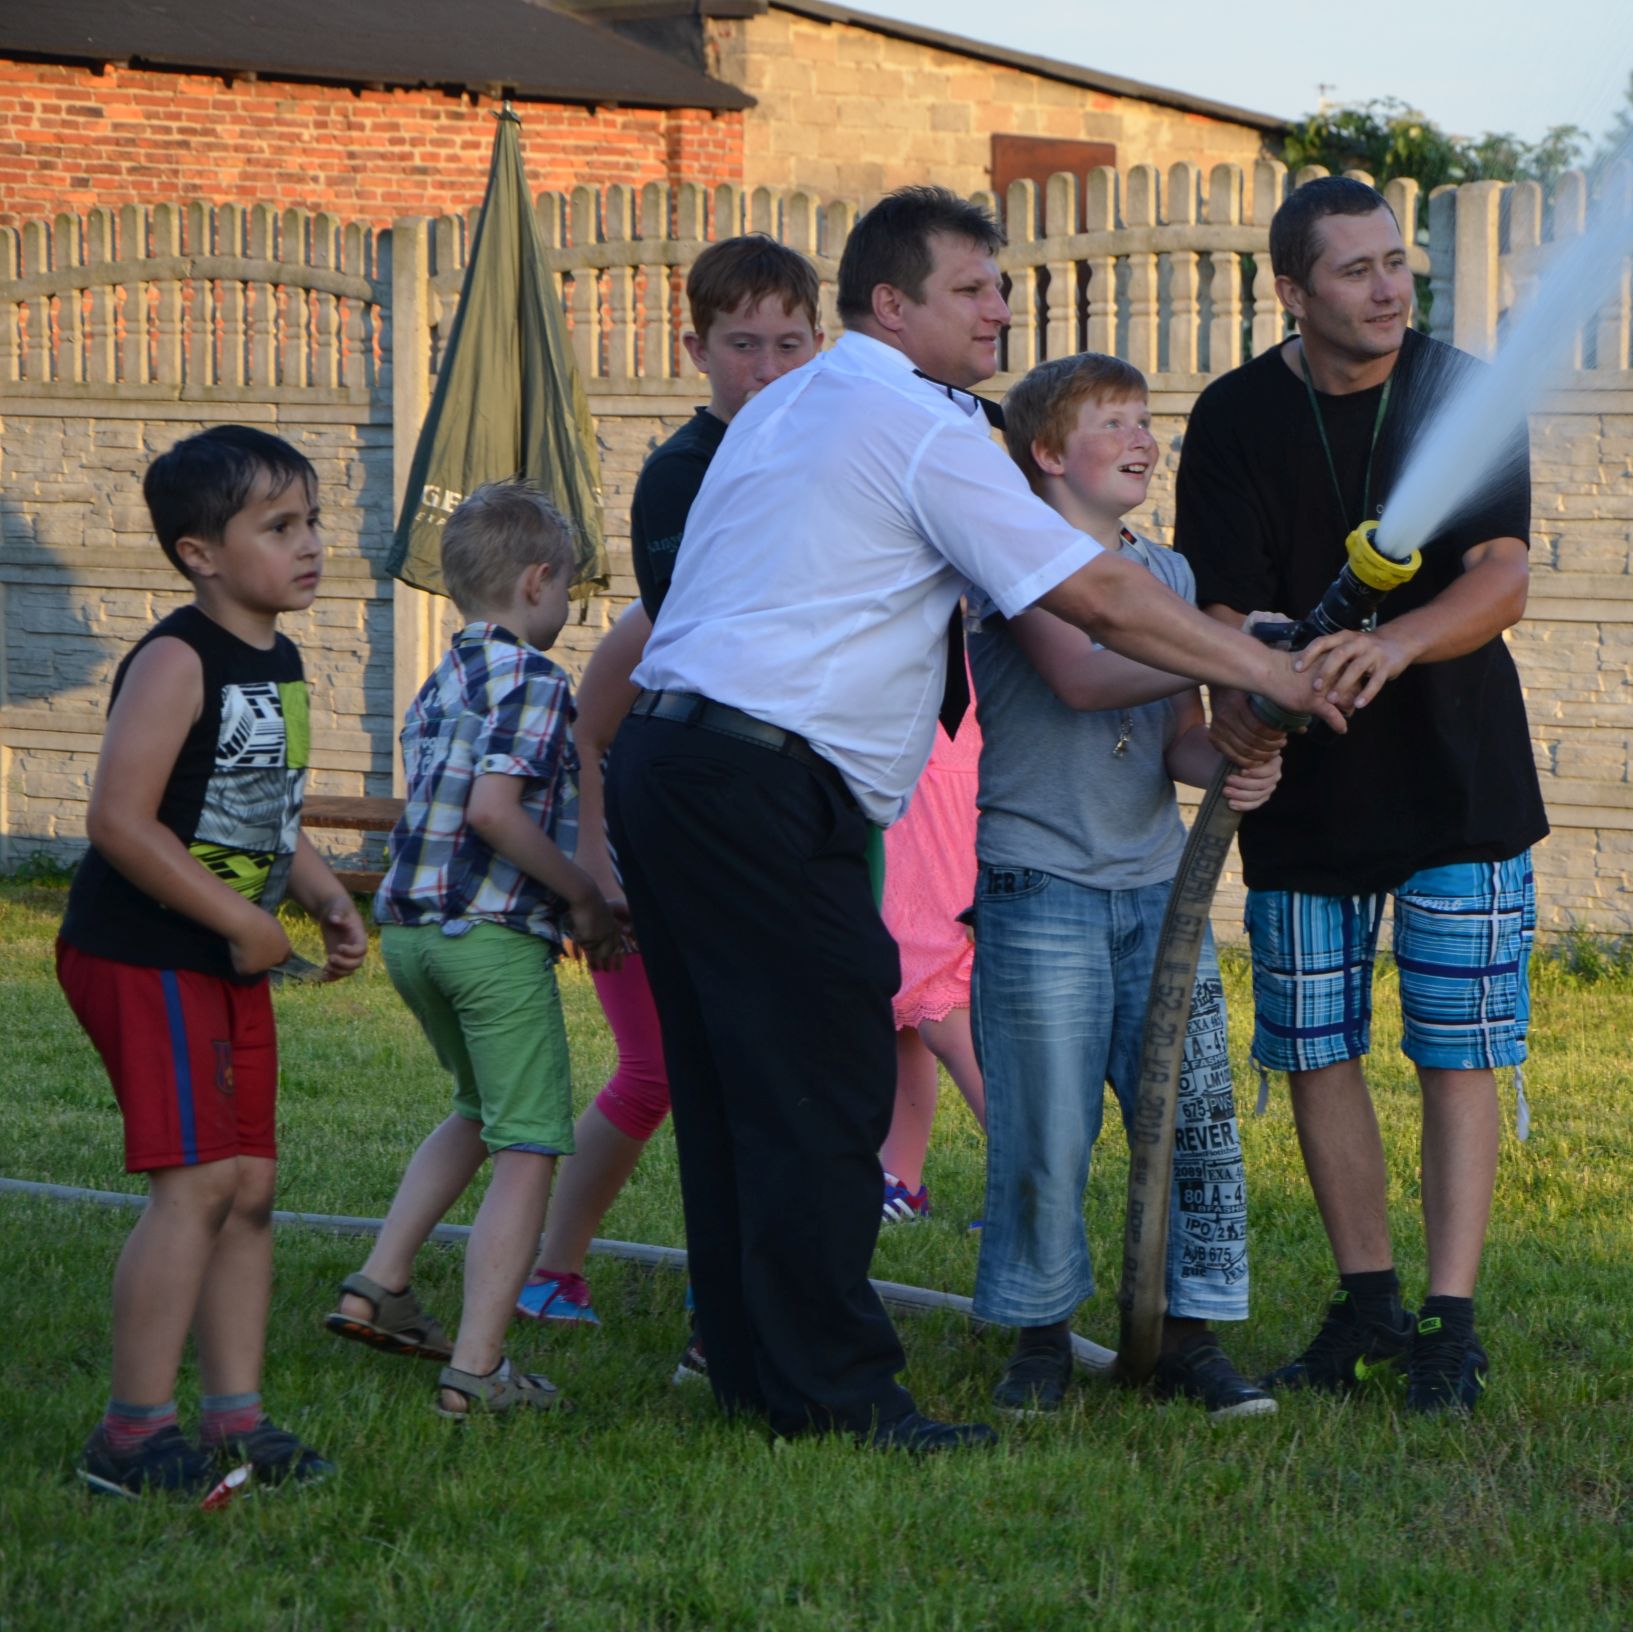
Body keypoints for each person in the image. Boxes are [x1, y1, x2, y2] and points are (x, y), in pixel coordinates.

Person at [606, 185, 1348, 1454]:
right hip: (760, 781)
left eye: (1000, 287)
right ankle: (843, 1397)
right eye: (971, 289)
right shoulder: (918, 422)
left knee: (738, 1096)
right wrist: (1266, 669)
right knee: (825, 1089)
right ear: (890, 305)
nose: (1000, 309)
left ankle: (758, 1376)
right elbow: (1094, 597)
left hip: (675, 766)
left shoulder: (791, 402)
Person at [1176, 176, 1549, 1415]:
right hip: (1300, 782)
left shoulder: (1462, 394)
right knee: (1315, 1046)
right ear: (1292, 290)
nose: (1389, 288)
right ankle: (1367, 1303)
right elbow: (1220, 606)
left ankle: (1447, 1323)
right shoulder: (1234, 416)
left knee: (1457, 1048)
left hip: (1458, 778)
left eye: (1397, 262)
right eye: (1356, 269)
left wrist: (1392, 645)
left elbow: (1502, 576)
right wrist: (1256, 691)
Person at [515, 235, 823, 1341]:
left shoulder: (820, 472)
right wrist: (594, 866)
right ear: (695, 350)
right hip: (655, 854)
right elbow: (590, 736)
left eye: (789, 344)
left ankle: (721, 1280)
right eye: (742, 345)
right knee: (657, 1073)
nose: (766, 367)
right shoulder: (679, 519)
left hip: (767, 834)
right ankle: (552, 1268)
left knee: (734, 1074)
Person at [970, 352, 1281, 1420]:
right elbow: (1082, 674)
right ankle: (1040, 1337)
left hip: (1155, 888)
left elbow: (1177, 741)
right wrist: (1236, 654)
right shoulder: (1014, 557)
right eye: (1114, 422)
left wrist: (1238, 755)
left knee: (1192, 1118)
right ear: (1049, 453)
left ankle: (1187, 1334)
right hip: (1040, 883)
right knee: (1047, 1128)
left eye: (1147, 420)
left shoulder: (1172, 577)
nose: (1144, 439)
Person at [57, 425, 365, 1496]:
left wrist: (319, 891)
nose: (309, 544)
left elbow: (257, 803)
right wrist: (240, 921)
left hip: (227, 956)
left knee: (251, 1188)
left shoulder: (278, 659)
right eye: (278, 527)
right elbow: (119, 820)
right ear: (199, 554)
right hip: (145, 954)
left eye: (312, 520)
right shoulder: (176, 660)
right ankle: (130, 1435)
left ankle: (238, 1417)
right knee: (195, 1185)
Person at [324, 482, 625, 1417]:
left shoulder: (442, 677)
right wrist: (583, 897)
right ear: (537, 582)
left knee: (475, 1109)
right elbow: (495, 814)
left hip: (413, 938)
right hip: (489, 942)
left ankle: (378, 1284)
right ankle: (478, 1367)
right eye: (568, 588)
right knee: (529, 1144)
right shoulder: (535, 680)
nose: (569, 606)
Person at [876, 703, 989, 1224]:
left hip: (944, 781)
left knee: (944, 1006)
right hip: (896, 777)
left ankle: (1031, 1188)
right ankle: (901, 1181)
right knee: (899, 1001)